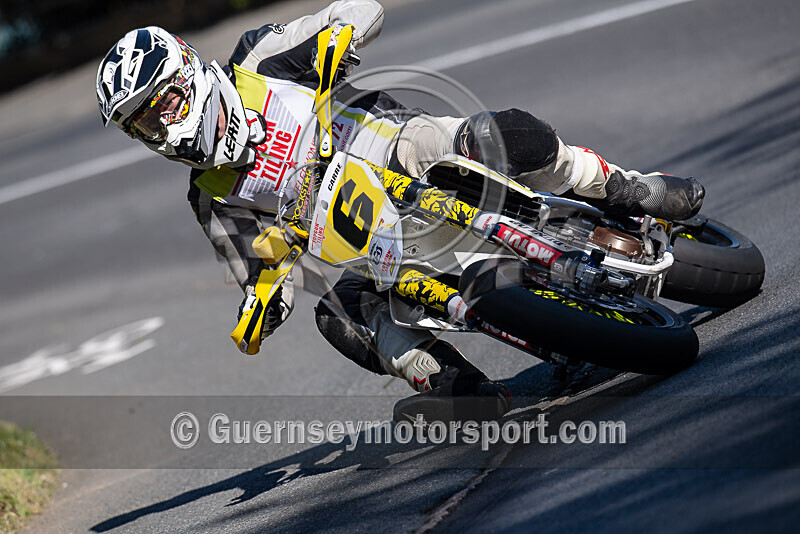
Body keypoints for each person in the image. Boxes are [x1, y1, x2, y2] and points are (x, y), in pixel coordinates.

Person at [96, 0, 704, 422]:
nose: (161, 130)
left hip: (401, 150)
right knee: (340, 318)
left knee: (492, 137)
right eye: (142, 125)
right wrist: (262, 302)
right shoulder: (210, 198)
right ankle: (461, 391)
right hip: (370, 242)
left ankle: (628, 187)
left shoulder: (261, 61)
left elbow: (362, 10)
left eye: (161, 107)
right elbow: (259, 271)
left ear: (189, 75)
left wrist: (341, 34)